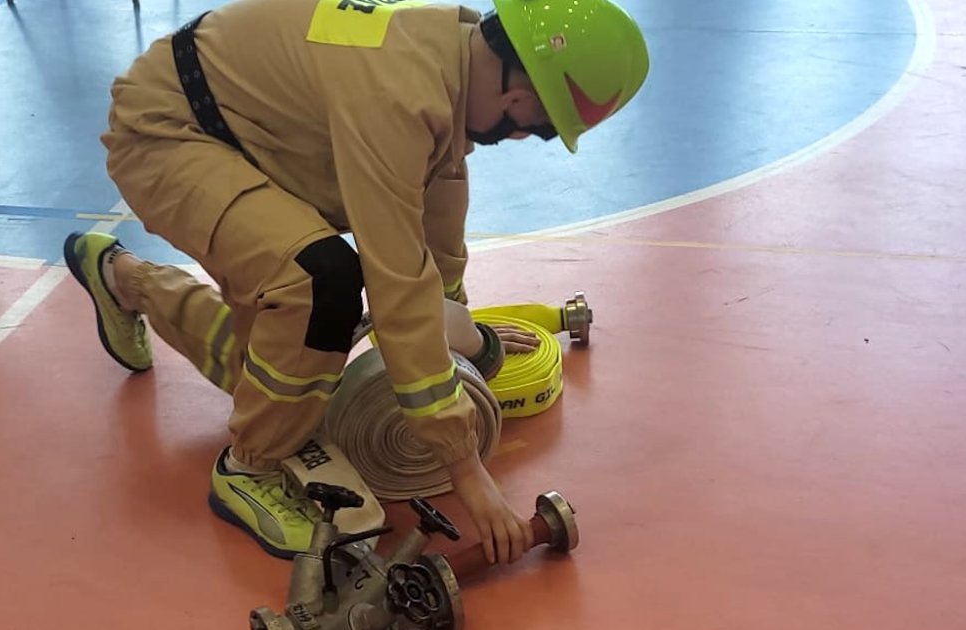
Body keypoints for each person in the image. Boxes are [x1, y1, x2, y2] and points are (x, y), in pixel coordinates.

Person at [62, 0, 648, 565]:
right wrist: (465, 467)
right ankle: (248, 470)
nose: (520, 138)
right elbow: (395, 279)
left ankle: (123, 278)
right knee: (318, 283)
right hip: (166, 134)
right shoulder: (398, 92)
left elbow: (439, 199)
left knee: (277, 385)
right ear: (521, 98)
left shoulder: (450, 53)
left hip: (245, 129)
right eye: (535, 129)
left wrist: (457, 332)